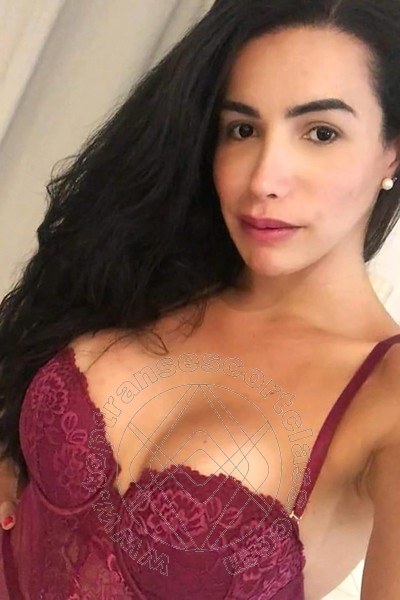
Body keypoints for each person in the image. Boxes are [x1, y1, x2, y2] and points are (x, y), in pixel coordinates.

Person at [1, 0, 400, 597]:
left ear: (392, 151)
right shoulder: (145, 273)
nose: (263, 178)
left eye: (321, 133)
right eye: (243, 129)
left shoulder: (385, 396)